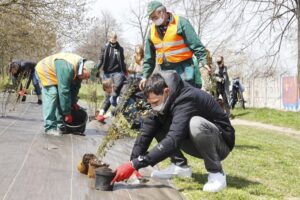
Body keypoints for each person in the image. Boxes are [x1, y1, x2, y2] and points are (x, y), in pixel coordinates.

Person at [112, 71, 235, 193]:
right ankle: (179, 166)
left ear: (166, 91)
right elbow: (147, 130)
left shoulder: (186, 97)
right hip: (194, 141)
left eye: (155, 102)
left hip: (220, 143)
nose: (153, 106)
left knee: (196, 124)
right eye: (151, 103)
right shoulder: (161, 96)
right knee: (156, 122)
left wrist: (137, 163)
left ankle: (216, 173)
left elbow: (174, 139)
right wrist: (132, 162)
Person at [139, 1, 209, 90]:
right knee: (170, 98)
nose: (153, 20)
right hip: (165, 70)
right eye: (151, 19)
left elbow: (195, 44)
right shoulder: (152, 31)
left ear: (162, 12)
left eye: (154, 17)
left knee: (187, 96)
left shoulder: (180, 22)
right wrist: (145, 76)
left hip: (184, 67)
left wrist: (204, 61)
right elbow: (149, 57)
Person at [36, 52, 94, 136]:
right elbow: (64, 91)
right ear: (84, 69)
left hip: (57, 73)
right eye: (87, 76)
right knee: (53, 93)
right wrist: (67, 113)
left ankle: (61, 125)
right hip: (45, 70)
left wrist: (73, 103)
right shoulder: (68, 67)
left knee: (63, 98)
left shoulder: (79, 71)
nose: (87, 79)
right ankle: (50, 127)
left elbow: (74, 89)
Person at [96, 31, 127, 122]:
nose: (113, 40)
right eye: (111, 38)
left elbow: (122, 61)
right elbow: (101, 59)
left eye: (114, 38)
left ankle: (113, 112)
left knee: (114, 92)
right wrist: (96, 69)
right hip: (107, 73)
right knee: (108, 93)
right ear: (109, 38)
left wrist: (125, 72)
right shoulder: (105, 47)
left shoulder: (120, 49)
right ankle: (102, 112)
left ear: (116, 38)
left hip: (117, 72)